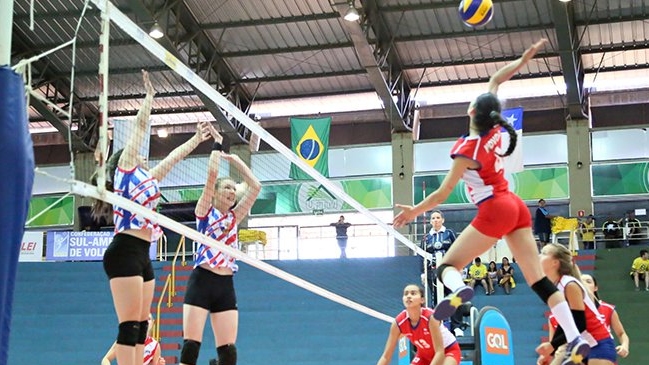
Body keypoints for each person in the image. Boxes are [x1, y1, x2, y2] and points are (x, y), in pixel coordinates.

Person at [393, 38, 590, 365]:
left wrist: (414, 210)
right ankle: (575, 336)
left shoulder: (467, 150)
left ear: (471, 112)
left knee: (446, 266)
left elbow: (442, 195)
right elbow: (497, 80)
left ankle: (459, 292)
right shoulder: (495, 132)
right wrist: (523, 59)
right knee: (538, 281)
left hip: (495, 209)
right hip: (515, 204)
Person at [92, 70, 212, 365]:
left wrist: (197, 139)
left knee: (143, 327)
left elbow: (174, 159)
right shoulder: (126, 171)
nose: (144, 156)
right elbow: (140, 127)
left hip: (143, 254)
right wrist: (149, 97)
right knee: (130, 324)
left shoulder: (147, 178)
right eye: (137, 154)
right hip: (124, 251)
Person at [179, 125, 261, 365]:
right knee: (191, 348)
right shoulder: (204, 212)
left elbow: (256, 186)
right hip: (202, 281)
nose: (231, 192)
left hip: (225, 285)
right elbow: (212, 176)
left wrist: (237, 159)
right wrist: (216, 145)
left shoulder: (234, 217)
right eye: (227, 188)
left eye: (233, 190)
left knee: (228, 353)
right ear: (214, 194)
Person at [536, 243, 617, 365]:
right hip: (580, 347)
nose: (539, 256)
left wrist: (552, 346)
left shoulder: (569, 284)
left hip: (597, 345)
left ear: (555, 262)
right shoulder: (557, 286)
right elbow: (565, 324)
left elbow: (579, 324)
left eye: (544, 253)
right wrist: (551, 352)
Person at [375, 284, 461, 365]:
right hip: (424, 356)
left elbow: (440, 352)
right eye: (406, 294)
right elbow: (386, 356)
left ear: (422, 300)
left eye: (413, 293)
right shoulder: (398, 323)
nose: (408, 296)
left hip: (448, 351)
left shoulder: (431, 317)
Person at [420, 210, 457, 304]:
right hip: (431, 271)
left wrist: (459, 268)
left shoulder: (449, 233)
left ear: (442, 220)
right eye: (433, 218)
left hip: (448, 270)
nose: (435, 220)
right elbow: (422, 256)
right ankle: (436, 318)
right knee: (435, 297)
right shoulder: (426, 237)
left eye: (438, 218)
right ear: (430, 221)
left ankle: (453, 318)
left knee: (451, 296)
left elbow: (457, 249)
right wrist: (423, 273)